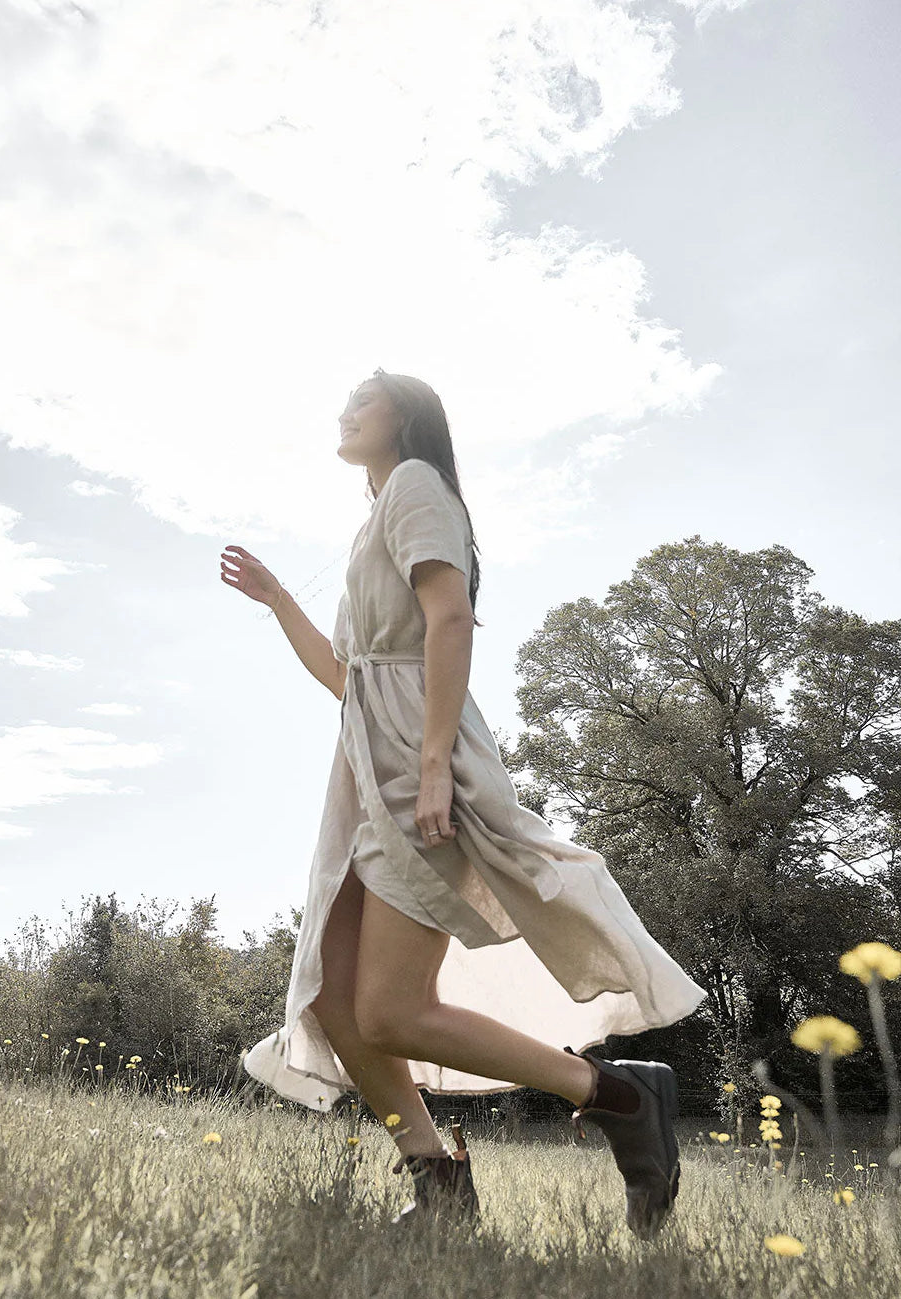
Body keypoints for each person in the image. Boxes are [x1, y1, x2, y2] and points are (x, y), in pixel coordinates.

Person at [220, 369, 707, 1237]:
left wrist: (437, 761)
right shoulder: (375, 515)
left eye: (362, 397)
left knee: (392, 1010)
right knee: (333, 993)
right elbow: (345, 677)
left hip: (416, 755)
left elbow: (449, 619)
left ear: (404, 417)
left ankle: (619, 1095)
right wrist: (280, 599)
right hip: (369, 765)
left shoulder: (416, 486)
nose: (344, 407)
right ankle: (437, 1177)